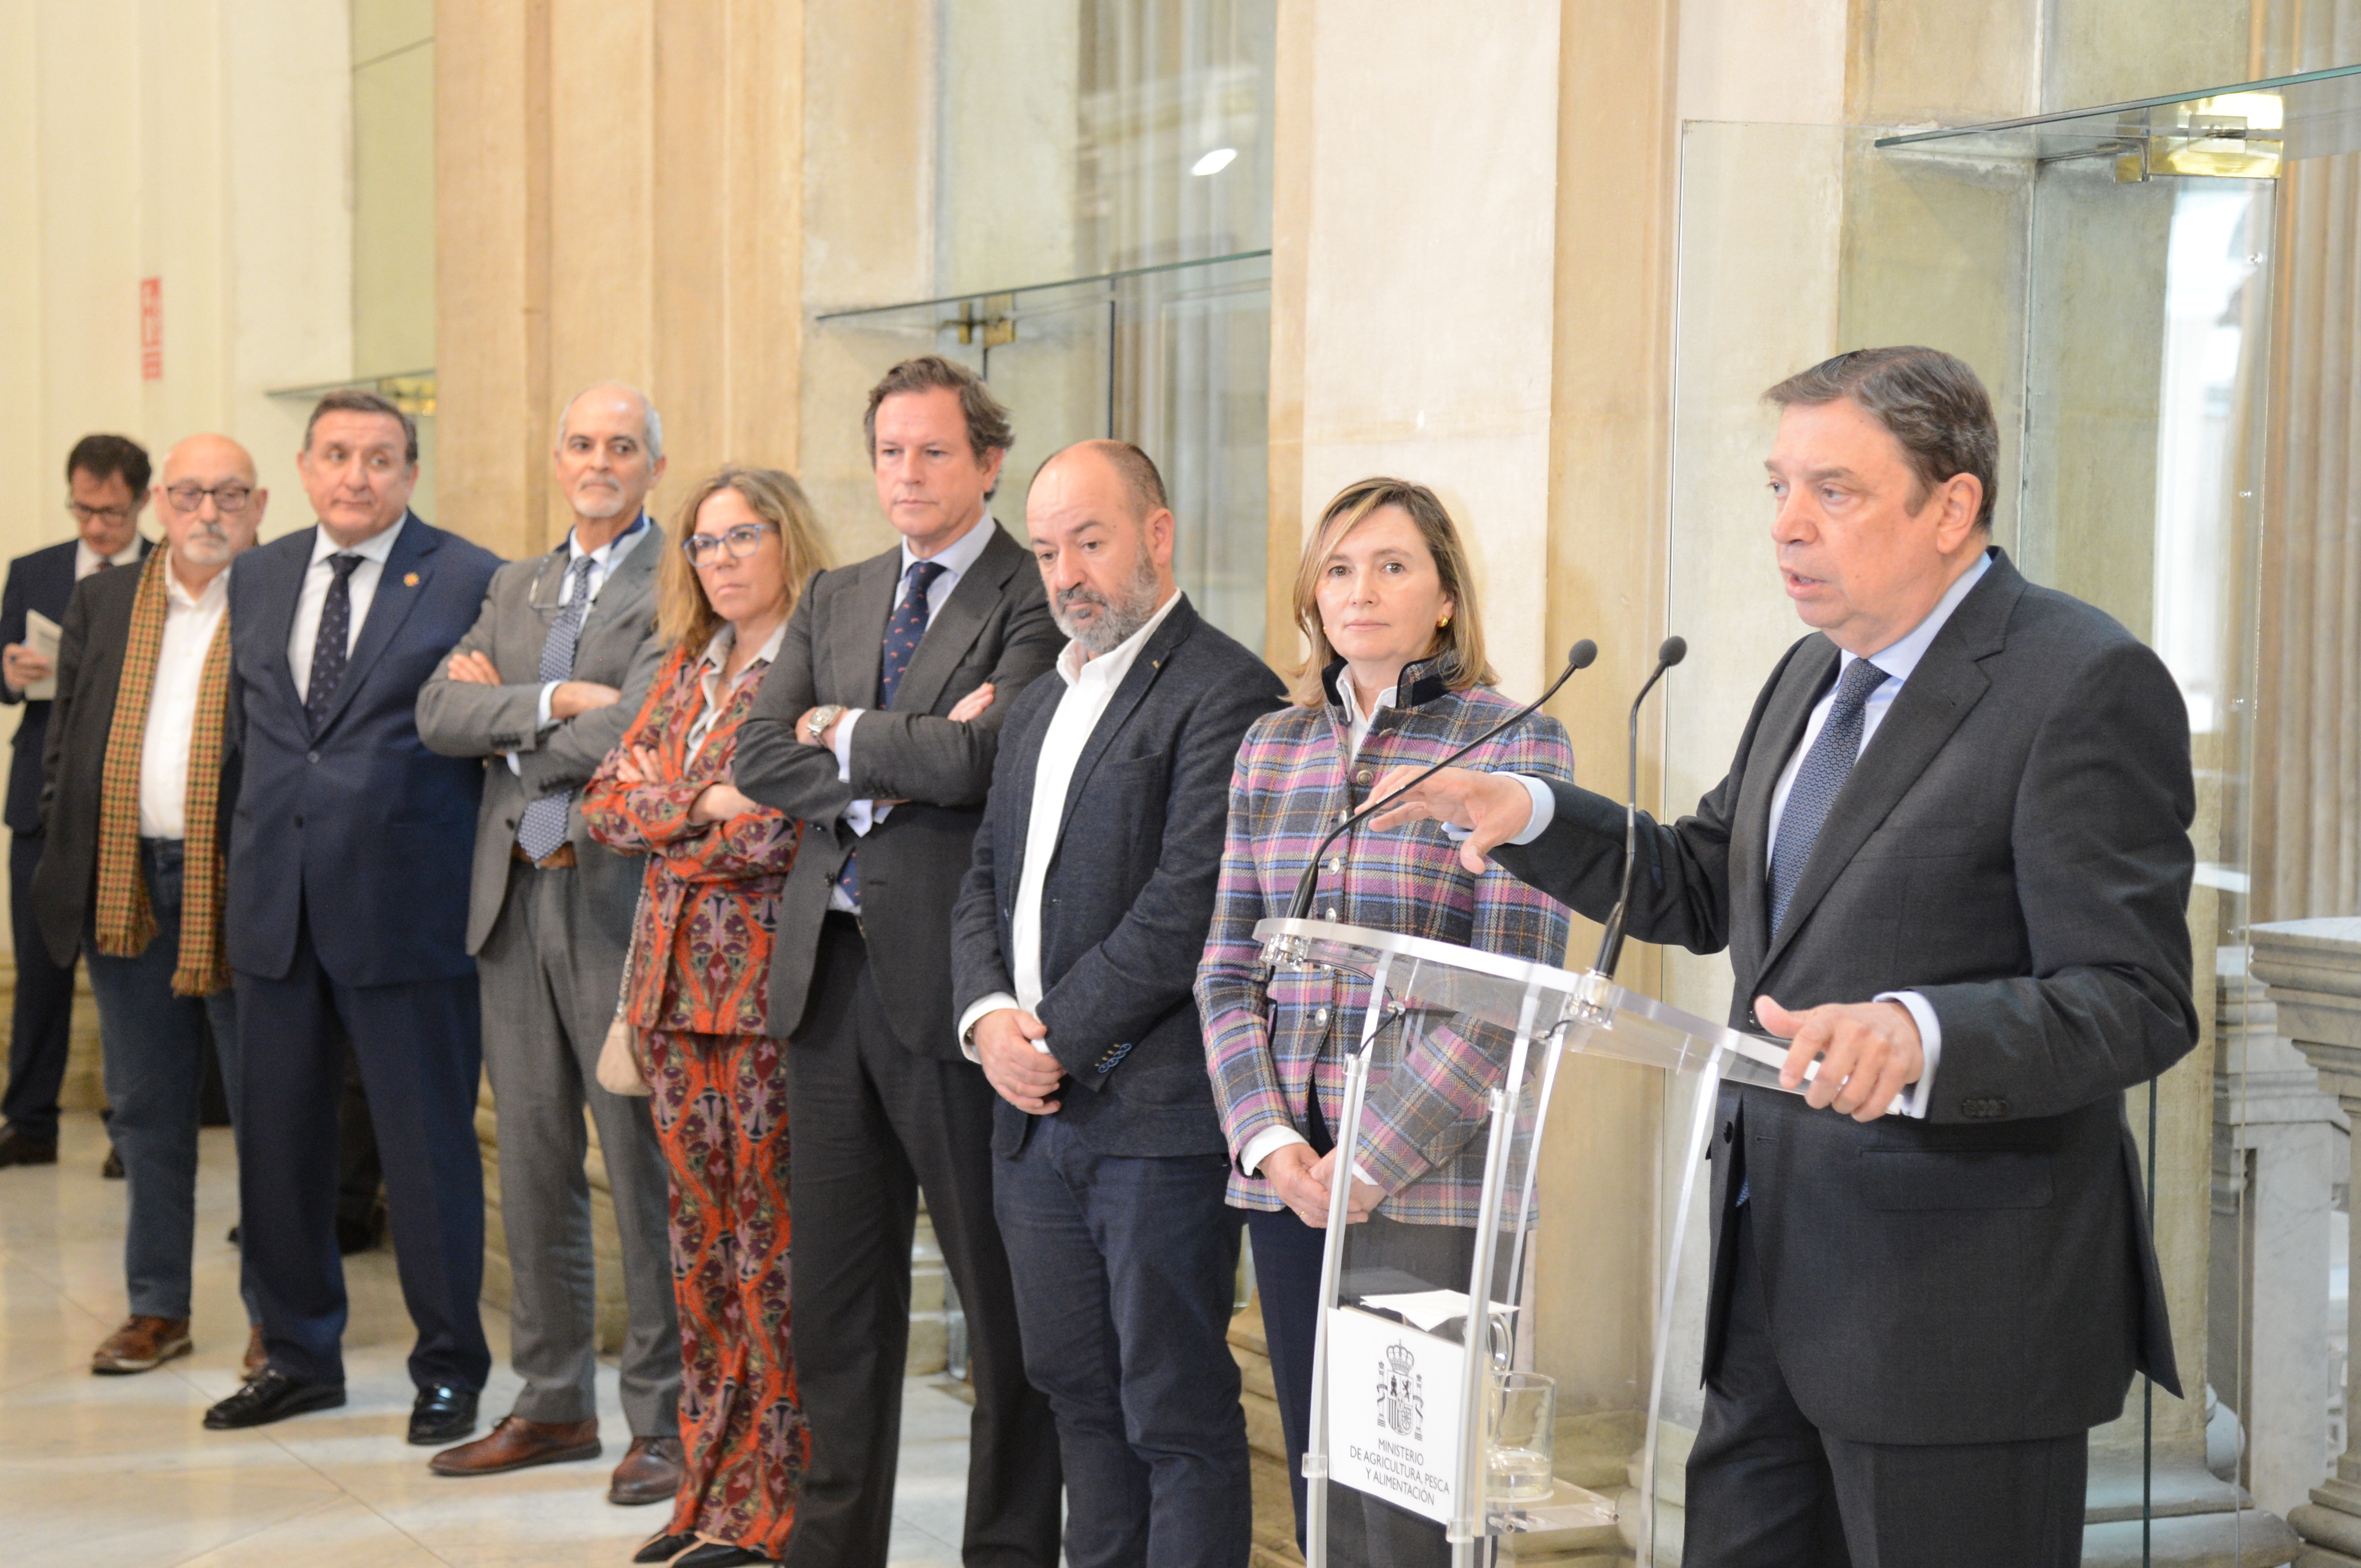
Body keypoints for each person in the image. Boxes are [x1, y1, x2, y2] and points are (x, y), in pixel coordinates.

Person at [1370, 347, 2196, 1568]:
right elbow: (1708, 879)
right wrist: (1531, 814)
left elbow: (2134, 998)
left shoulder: (2077, 681)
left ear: (1951, 506)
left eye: (1832, 491)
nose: (1786, 526)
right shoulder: (1814, 669)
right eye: (1777, 487)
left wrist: (1921, 1033)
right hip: (1769, 1287)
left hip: (1958, 1315)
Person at [1192, 476, 1575, 1565]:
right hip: (1290, 1182)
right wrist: (1270, 1143)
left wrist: (1364, 1162)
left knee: (1410, 1518)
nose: (1360, 590)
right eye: (1341, 568)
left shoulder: (1517, 743)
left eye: (1393, 566)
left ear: (1446, 597)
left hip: (1428, 1181)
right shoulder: (1273, 747)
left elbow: (1511, 993)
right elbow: (1227, 968)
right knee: (1323, 1496)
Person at [734, 356, 1063, 1568]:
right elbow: (759, 754)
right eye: (889, 451)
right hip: (825, 982)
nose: (907, 473)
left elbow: (985, 763)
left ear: (988, 461)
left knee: (1000, 1304)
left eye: (933, 450)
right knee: (836, 1306)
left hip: (957, 989)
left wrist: (840, 731)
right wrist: (896, 753)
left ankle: (1008, 1550)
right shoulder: (836, 594)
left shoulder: (1031, 595)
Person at [951, 440, 1284, 1568]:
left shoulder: (1226, 691)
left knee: (1173, 1411)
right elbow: (985, 877)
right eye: (1047, 551)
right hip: (1031, 1121)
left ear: (1156, 533)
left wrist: (1051, 1036)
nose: (1066, 575)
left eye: (1088, 542)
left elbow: (1188, 902)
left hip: (1154, 1121)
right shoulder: (1040, 698)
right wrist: (987, 1020)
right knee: (1078, 1399)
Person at [200, 390, 504, 1445]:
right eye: (337, 455)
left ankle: (449, 1369)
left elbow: (484, 731)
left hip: (408, 911)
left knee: (426, 1155)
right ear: (303, 467)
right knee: (278, 1148)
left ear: (411, 473)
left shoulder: (470, 577)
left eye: (380, 458)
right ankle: (296, 1356)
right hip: (277, 910)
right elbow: (253, 739)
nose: (356, 476)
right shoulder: (261, 573)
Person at [414, 384, 683, 1503]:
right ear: (557, 457)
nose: (599, 460)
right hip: (512, 901)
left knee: (641, 1171)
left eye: (622, 445)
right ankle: (553, 1401)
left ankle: (663, 1420)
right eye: (581, 442)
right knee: (529, 1165)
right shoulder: (512, 583)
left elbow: (644, 721)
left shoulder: (677, 577)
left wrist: (512, 725)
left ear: (653, 466)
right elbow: (437, 713)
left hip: (615, 902)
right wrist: (560, 698)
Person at [582, 466, 831, 1568]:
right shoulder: (689, 666)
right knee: (700, 1264)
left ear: (787, 540)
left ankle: (775, 1514)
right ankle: (706, 1499)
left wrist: (675, 813)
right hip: (669, 1004)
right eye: (703, 542)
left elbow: (785, 826)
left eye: (741, 536)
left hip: (769, 1003)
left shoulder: (814, 667)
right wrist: (706, 802)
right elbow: (605, 805)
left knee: (771, 1264)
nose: (721, 559)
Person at [32, 434, 263, 1377]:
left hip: (241, 891)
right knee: (144, 1111)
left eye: (229, 494)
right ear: (160, 503)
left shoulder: (277, 596)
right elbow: (66, 737)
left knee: (266, 1112)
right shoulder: (106, 599)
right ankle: (157, 1308)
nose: (208, 511)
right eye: (191, 493)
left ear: (258, 505)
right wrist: (70, 825)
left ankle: (278, 1317)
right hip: (125, 888)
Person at [0, 434, 154, 1170]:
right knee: (39, 971)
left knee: (136, 977)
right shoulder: (33, 570)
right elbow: (1, 672)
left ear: (142, 502)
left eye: (112, 513)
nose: (97, 526)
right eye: (83, 509)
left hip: (133, 802)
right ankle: (30, 1122)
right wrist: (9, 670)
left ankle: (134, 1130)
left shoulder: (169, 572)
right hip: (43, 799)